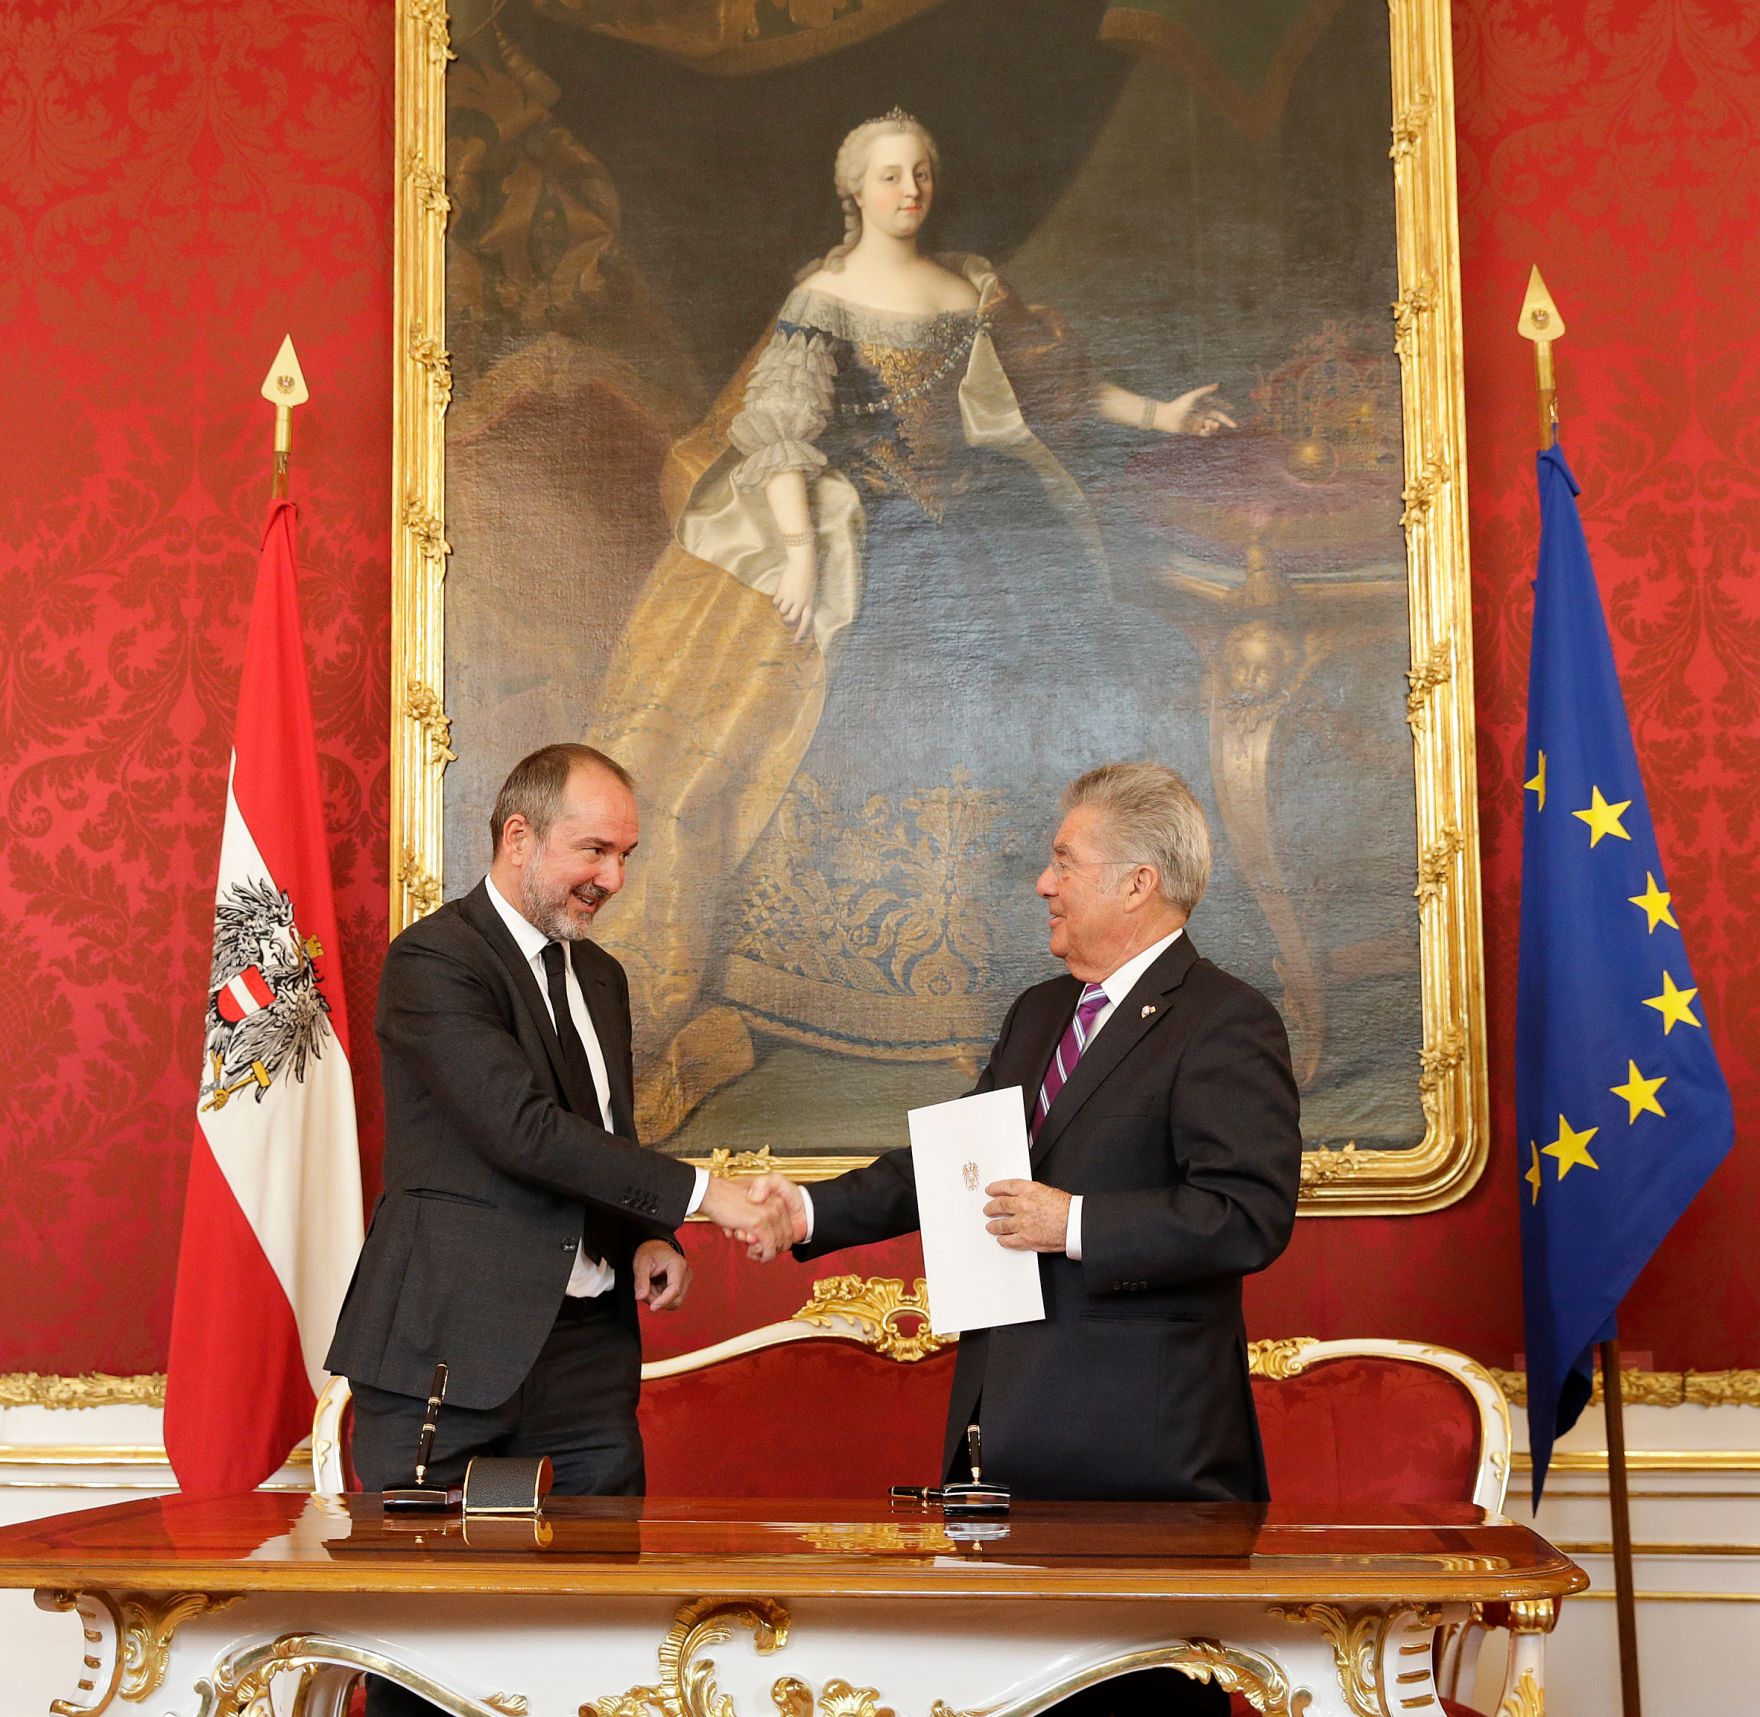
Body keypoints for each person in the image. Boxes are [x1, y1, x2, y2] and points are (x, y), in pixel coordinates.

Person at [586, 110, 1235, 1143]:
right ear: (854, 190)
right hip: (874, 531)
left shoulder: (969, 284)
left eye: (922, 170)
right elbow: (782, 438)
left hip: (987, 519)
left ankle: (1032, 951)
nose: (910, 188)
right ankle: (855, 973)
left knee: (1054, 687)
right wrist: (800, 553)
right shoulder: (825, 297)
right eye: (890, 174)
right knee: (910, 696)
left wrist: (1158, 416)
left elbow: (1051, 394)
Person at [748, 762, 1301, 1716]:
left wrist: (1074, 1221)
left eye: (1064, 861)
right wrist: (809, 1212)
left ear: (1138, 882)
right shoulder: (1042, 1011)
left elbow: (1250, 1213)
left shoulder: (1225, 1019)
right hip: (1002, 1444)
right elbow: (962, 1159)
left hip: (1143, 1466)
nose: (1043, 883)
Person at [326, 744, 786, 1714]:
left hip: (585, 1360)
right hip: (448, 1354)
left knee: (595, 1637)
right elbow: (519, 1131)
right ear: (519, 835)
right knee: (424, 1647)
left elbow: (598, 1135)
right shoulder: (433, 960)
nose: (611, 879)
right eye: (593, 851)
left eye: (624, 855)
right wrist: (704, 1196)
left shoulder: (603, 977)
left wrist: (643, 1236)